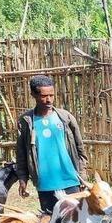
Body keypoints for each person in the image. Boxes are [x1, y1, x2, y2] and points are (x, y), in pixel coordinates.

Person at [16, 75, 87, 213]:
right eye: (44, 96)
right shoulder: (26, 122)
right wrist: (23, 179)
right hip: (45, 184)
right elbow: (21, 154)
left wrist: (82, 175)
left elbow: (80, 148)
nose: (49, 100)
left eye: (51, 95)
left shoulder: (65, 118)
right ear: (33, 95)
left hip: (71, 180)